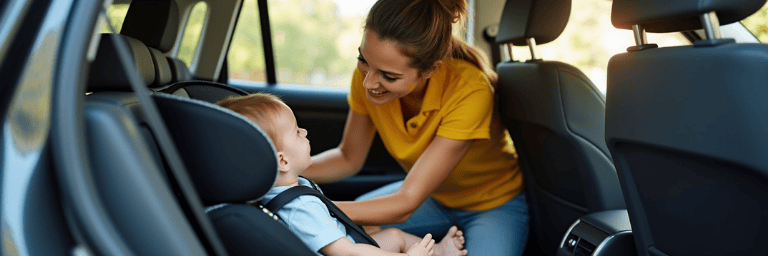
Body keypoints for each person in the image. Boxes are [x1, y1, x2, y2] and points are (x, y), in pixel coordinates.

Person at [302, 0, 530, 255]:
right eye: (362, 60)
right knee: (345, 231)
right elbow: (348, 157)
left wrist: (317, 207)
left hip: (492, 203)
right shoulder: (368, 77)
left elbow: (405, 203)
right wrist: (278, 173)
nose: (369, 82)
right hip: (434, 196)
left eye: (389, 76)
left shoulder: (470, 90)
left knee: (340, 217)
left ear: (430, 69)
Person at [217, 93, 468, 256]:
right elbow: (346, 252)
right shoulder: (299, 207)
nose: (304, 131)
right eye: (296, 132)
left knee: (393, 235)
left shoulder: (282, 190)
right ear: (282, 160)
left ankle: (440, 250)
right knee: (396, 243)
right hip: (351, 252)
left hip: (351, 243)